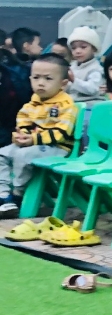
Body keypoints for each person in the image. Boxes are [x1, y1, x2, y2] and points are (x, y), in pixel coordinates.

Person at [0, 52, 78, 216]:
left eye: (48, 79)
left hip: (57, 147)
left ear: (63, 84)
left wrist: (31, 139)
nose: (41, 83)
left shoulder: (66, 105)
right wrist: (21, 136)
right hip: (34, 144)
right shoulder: (32, 103)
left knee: (22, 155)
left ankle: (17, 194)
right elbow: (23, 122)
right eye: (36, 78)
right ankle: (3, 195)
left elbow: (61, 133)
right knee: (2, 153)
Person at [67, 27, 106, 106]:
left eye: (83, 47)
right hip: (72, 103)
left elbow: (93, 89)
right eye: (74, 48)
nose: (78, 51)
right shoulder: (72, 66)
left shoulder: (95, 69)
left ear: (94, 49)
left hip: (89, 105)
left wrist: (74, 80)